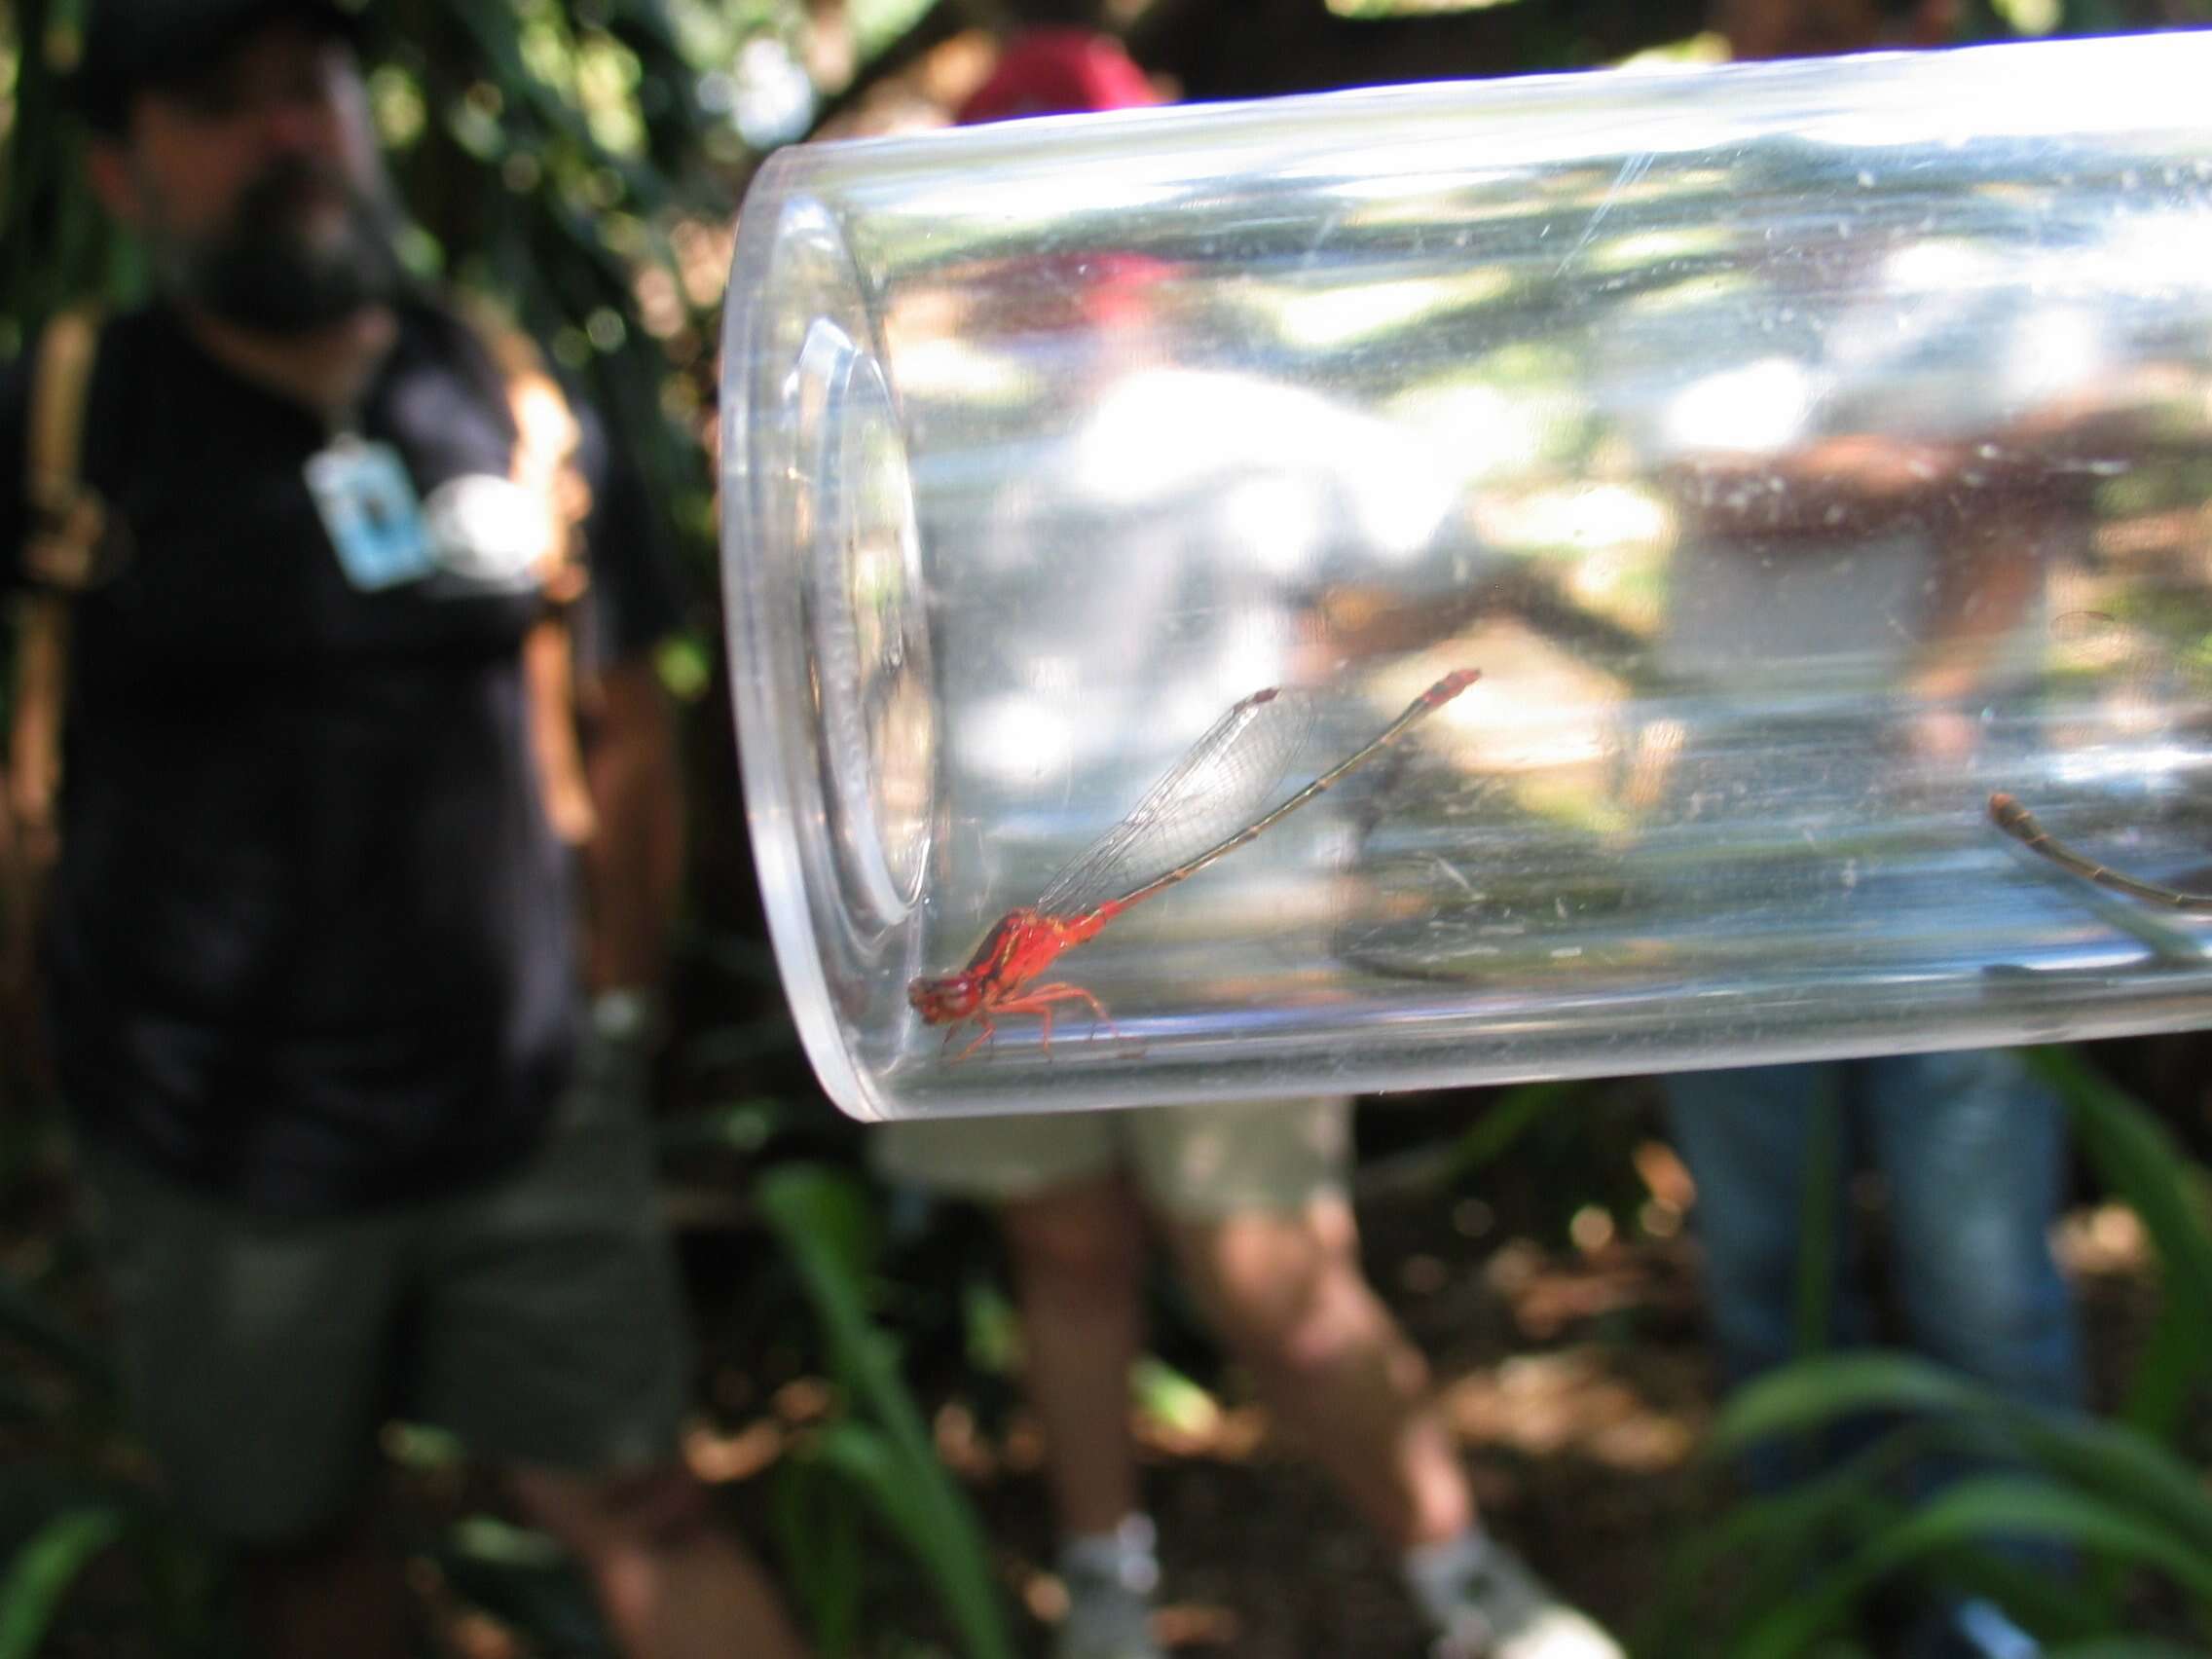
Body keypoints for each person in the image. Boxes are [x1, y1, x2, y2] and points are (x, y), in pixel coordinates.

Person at [0, 2, 807, 1655]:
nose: (286, 132)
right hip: (205, 1146)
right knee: (303, 1547)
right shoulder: (66, 421)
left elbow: (626, 722)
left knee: (644, 1508)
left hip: (526, 1098)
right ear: (120, 168)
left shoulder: (506, 391)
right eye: (219, 104)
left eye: (310, 83)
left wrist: (619, 1007)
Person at [871, 31, 1623, 1659]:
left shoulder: (1256, 422)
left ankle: (1462, 1584)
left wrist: (1332, 652)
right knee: (1064, 1246)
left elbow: (1454, 564)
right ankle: (1109, 1590)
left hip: (1220, 902)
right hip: (1001, 907)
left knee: (1275, 1274)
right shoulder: (938, 439)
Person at [1643, 5, 2088, 1655]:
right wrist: (1952, 464)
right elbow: (1736, 491)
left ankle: (2014, 1619)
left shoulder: (2015, 287)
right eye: (1769, 38)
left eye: (1831, 30)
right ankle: (1823, 1598)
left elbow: (2042, 482)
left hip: (1955, 816)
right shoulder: (1683, 304)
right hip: (1736, 809)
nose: (1789, 61)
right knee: (1769, 1254)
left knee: (1986, 1270)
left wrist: (1944, 591)